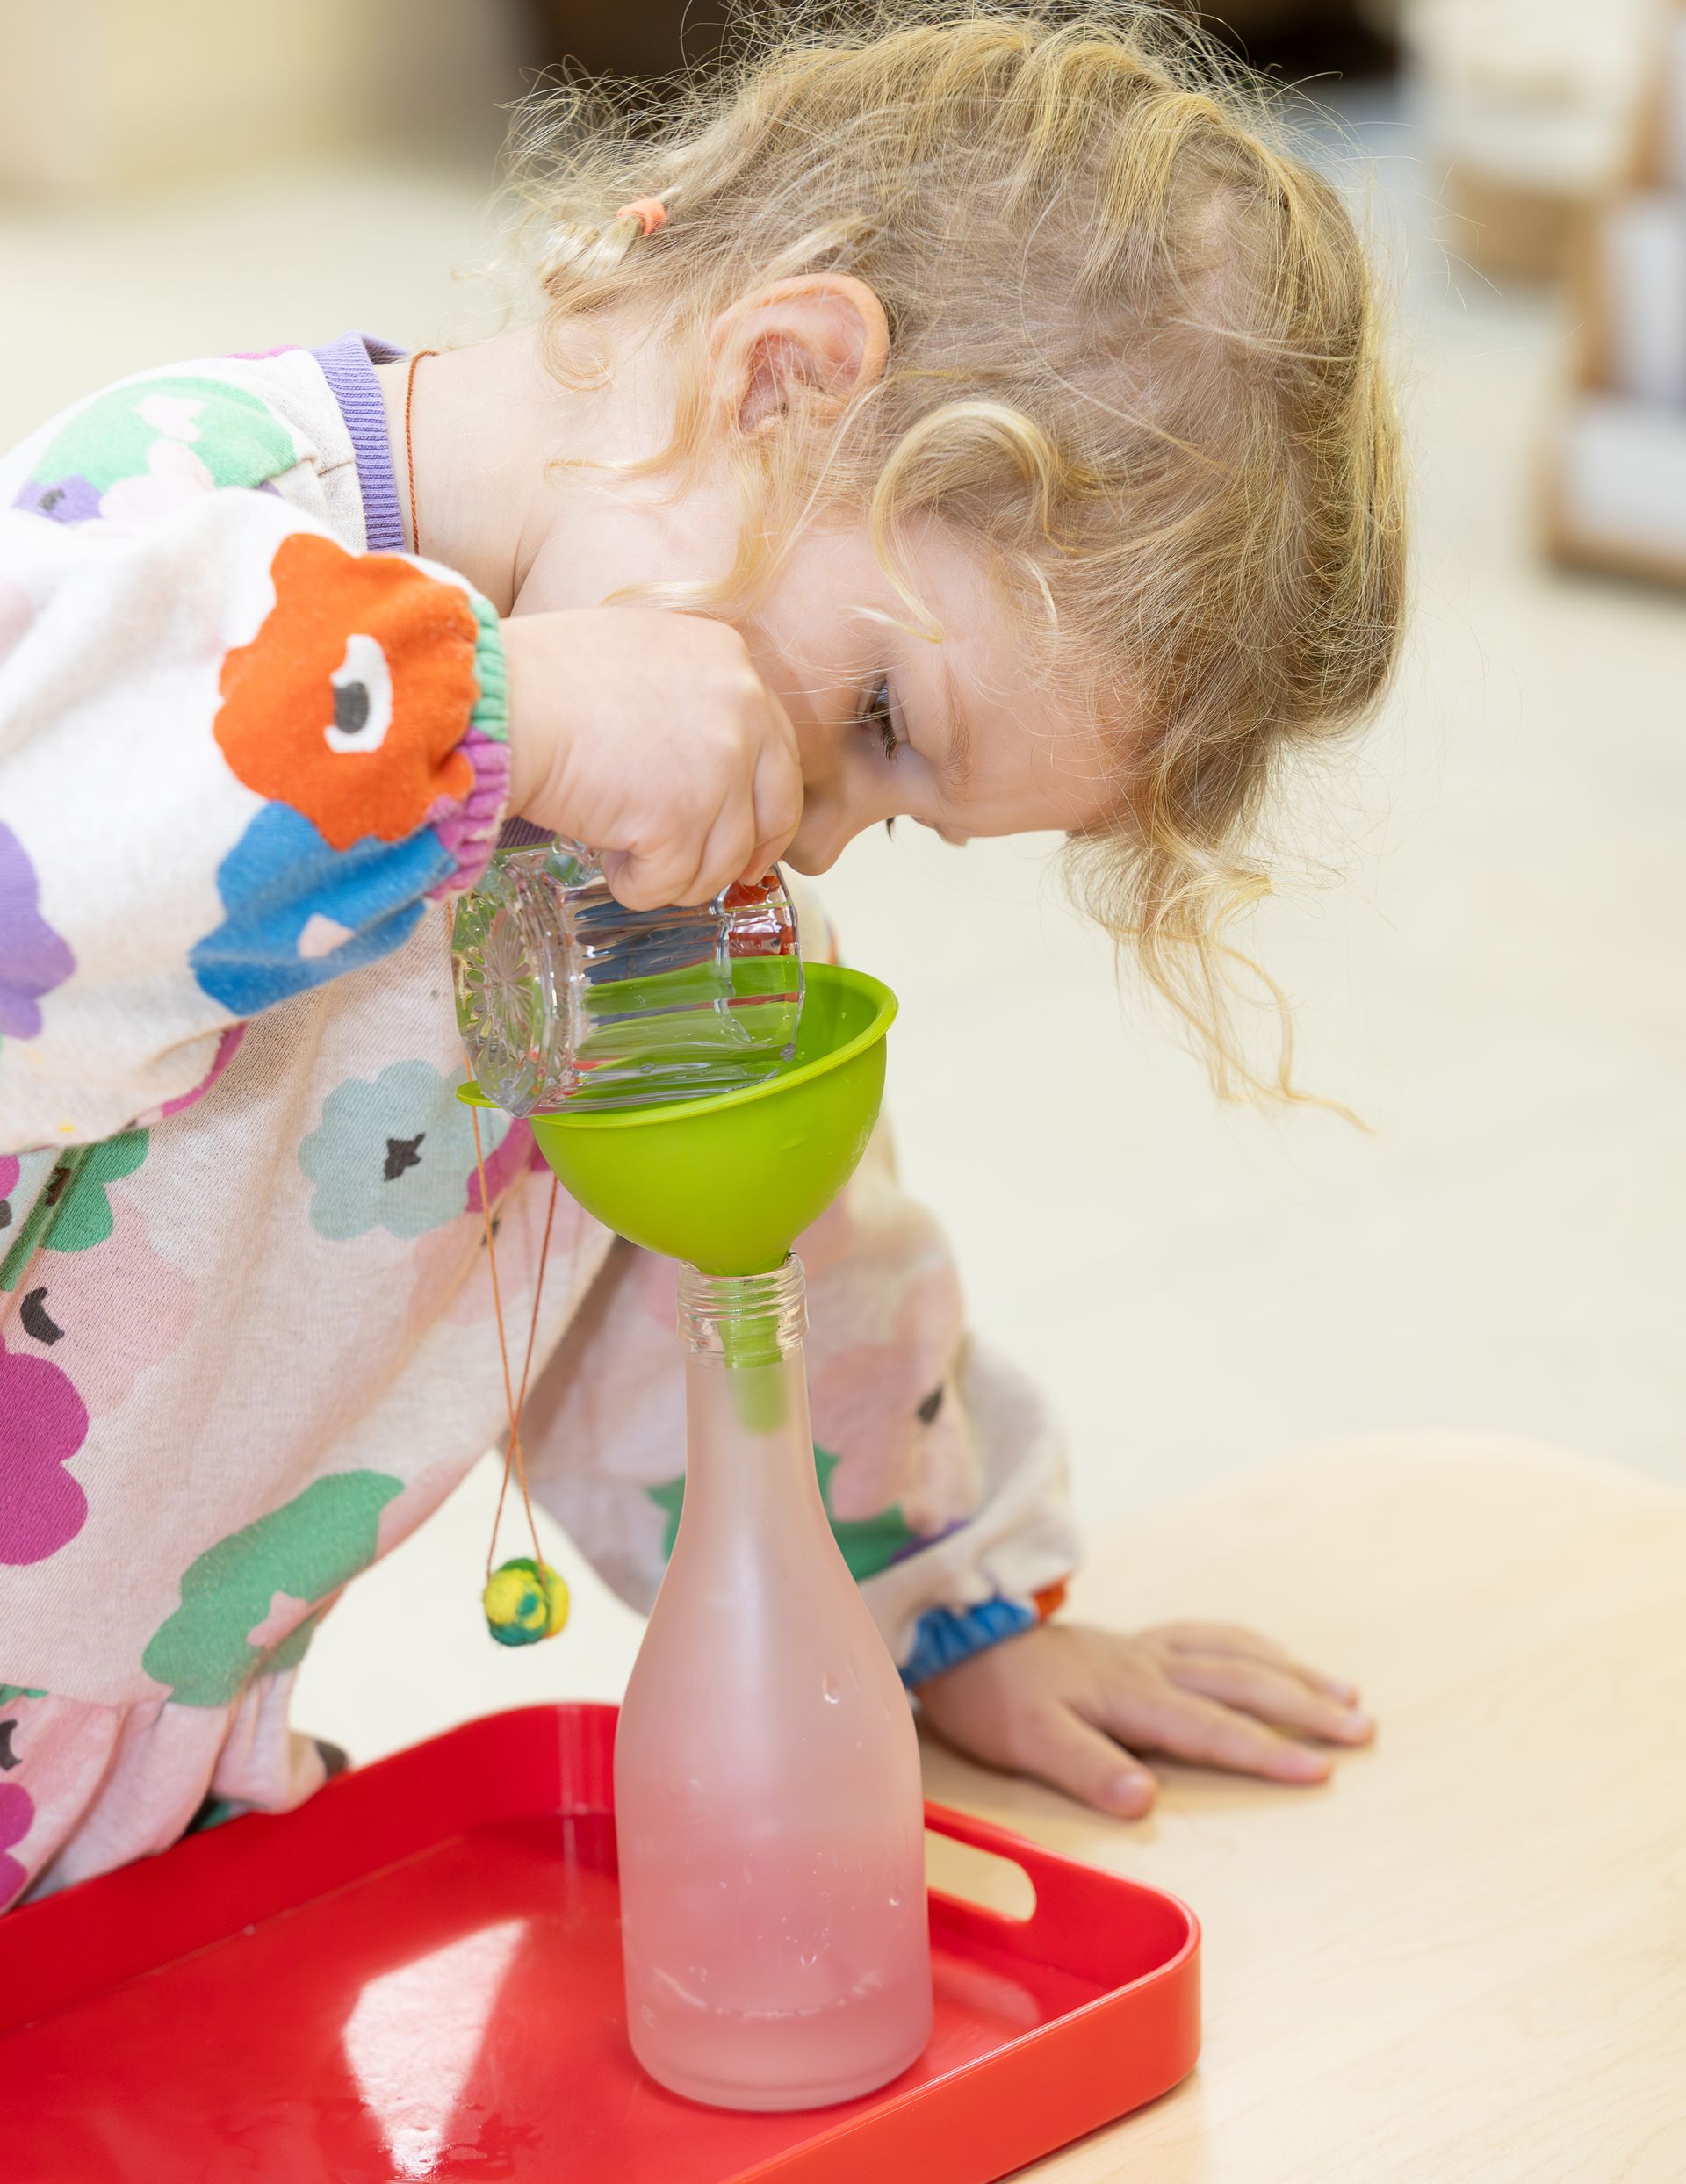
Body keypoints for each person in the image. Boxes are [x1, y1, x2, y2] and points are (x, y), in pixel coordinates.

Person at [0, 4, 1402, 1906]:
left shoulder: (634, 886)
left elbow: (739, 1283)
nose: (816, 829)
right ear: (782, 380)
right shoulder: (197, 517)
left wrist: (939, 1605)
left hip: (126, 1835)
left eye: (894, 809)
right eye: (883, 720)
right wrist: (500, 710)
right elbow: (60, 838)